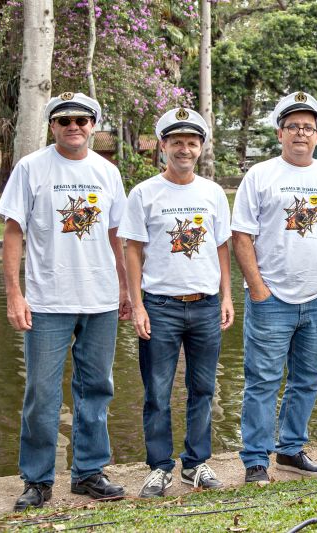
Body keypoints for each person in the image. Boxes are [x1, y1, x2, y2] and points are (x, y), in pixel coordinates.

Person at [0, 92, 130, 511]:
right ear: (52, 126)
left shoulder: (107, 172)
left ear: (94, 125)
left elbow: (116, 236)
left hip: (101, 298)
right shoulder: (31, 168)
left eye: (82, 120)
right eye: (64, 120)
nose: (74, 126)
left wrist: (126, 290)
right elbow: (14, 232)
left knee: (97, 388)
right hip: (48, 300)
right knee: (42, 393)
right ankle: (37, 479)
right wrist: (14, 294)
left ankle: (89, 472)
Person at [231, 91, 317, 485]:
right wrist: (257, 290)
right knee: (263, 381)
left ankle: (290, 450)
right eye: (293, 126)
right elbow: (241, 236)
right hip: (271, 298)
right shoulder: (260, 176)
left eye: (308, 127)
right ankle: (255, 458)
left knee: (307, 378)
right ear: (280, 132)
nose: (300, 133)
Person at [118, 108, 234, 498]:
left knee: (203, 388)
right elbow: (132, 251)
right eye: (177, 142)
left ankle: (197, 463)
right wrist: (138, 304)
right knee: (157, 391)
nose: (185, 149)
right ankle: (159, 467)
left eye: (192, 142)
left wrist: (227, 296)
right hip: (161, 305)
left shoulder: (213, 192)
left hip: (205, 304)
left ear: (200, 147)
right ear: (164, 146)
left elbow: (221, 248)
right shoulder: (144, 193)